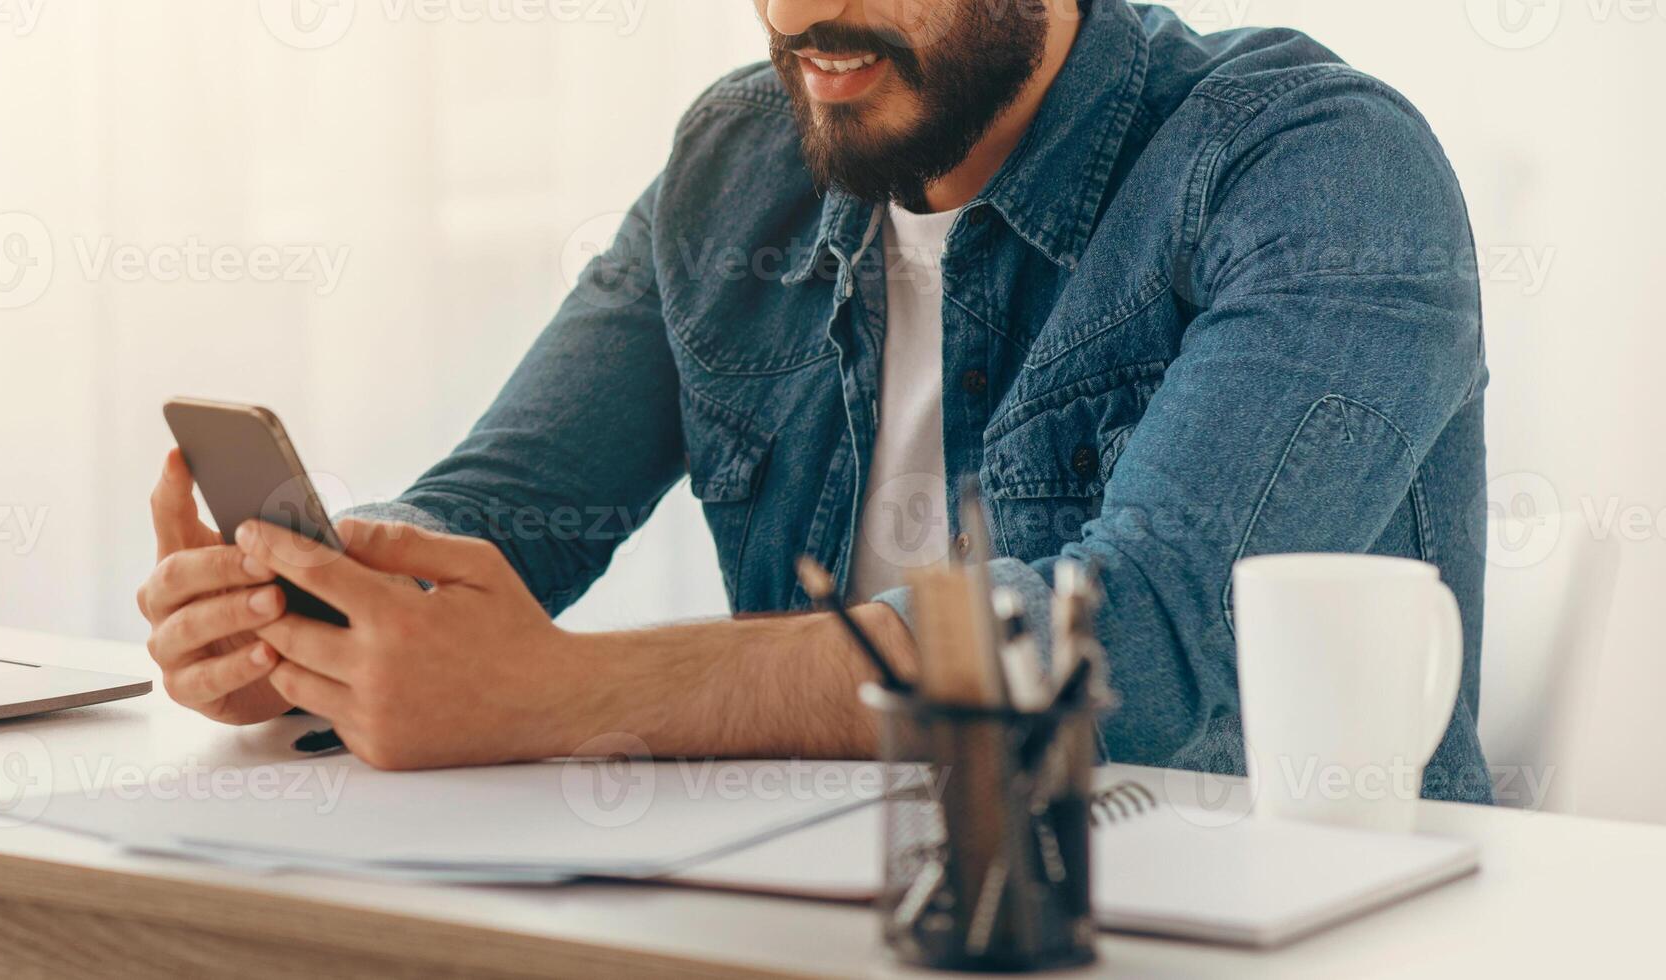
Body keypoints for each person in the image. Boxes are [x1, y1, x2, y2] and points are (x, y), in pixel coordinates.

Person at [136, 0, 1493, 802]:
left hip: (1227, 924)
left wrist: (563, 694)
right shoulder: (742, 157)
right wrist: (316, 613)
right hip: (808, 905)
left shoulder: (1318, 166)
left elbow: (1142, 637)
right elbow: (508, 507)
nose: (799, 13)